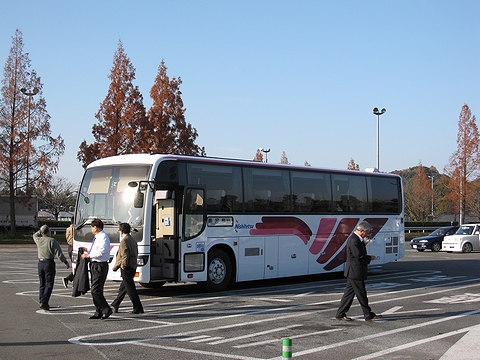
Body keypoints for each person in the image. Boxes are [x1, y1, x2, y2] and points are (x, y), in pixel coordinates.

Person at [335, 221, 382, 321]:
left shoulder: (357, 239)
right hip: (355, 271)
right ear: (361, 231)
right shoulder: (354, 240)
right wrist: (370, 258)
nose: (368, 234)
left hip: (353, 271)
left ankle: (340, 313)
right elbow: (358, 256)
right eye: (367, 232)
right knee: (361, 293)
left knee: (349, 294)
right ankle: (367, 314)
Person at [81, 218, 113, 320]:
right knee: (96, 289)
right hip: (94, 264)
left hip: (100, 265)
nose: (91, 229)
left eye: (92, 227)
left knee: (95, 290)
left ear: (96, 227)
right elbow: (96, 250)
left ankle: (106, 309)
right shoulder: (97, 237)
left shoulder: (103, 237)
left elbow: (102, 252)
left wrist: (89, 255)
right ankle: (98, 311)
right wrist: (87, 250)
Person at [33, 225, 70, 310]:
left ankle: (41, 300)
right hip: (49, 263)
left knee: (42, 283)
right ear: (48, 232)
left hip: (40, 262)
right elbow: (58, 253)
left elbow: (34, 235)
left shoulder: (38, 239)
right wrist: (65, 262)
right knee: (49, 283)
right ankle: (44, 302)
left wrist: (40, 231)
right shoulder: (52, 241)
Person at [111, 223, 144, 314]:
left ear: (121, 231)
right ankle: (115, 304)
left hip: (127, 267)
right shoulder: (132, 239)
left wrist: (122, 266)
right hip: (133, 265)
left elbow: (124, 255)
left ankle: (138, 307)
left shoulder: (124, 241)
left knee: (130, 288)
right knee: (124, 287)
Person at [62, 221, 74, 288]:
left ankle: (73, 281)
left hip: (69, 246)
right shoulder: (74, 228)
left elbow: (67, 238)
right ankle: (68, 278)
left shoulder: (68, 229)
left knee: (76, 266)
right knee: (78, 266)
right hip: (74, 247)